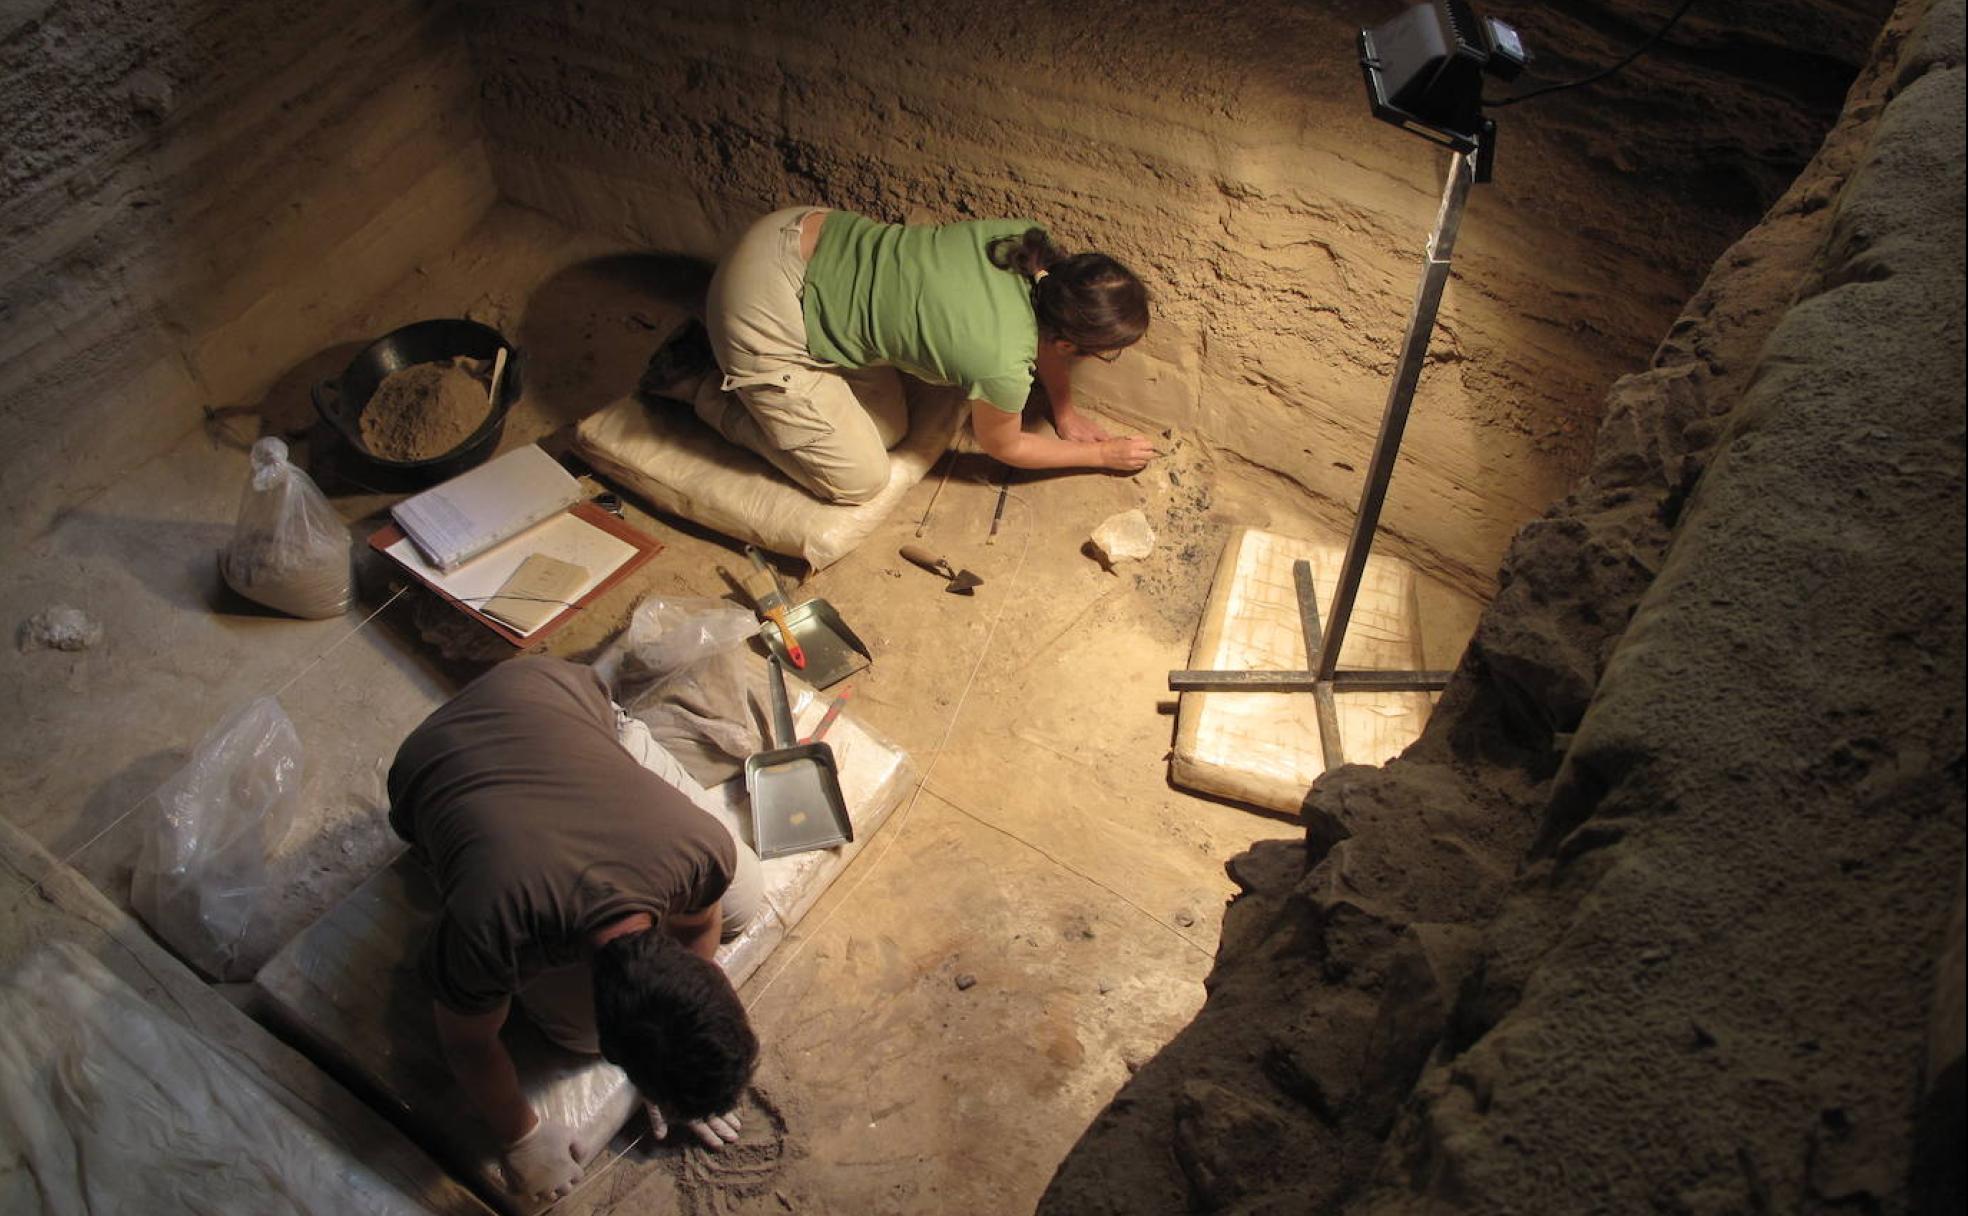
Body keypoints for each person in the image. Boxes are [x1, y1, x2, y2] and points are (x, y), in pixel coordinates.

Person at [386, 657, 766, 1203]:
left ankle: (622, 734)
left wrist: (678, 1047)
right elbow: (468, 1041)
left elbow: (703, 923)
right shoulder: (494, 927)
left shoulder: (696, 849)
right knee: (576, 1036)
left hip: (549, 692)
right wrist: (521, 1136)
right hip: (437, 759)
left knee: (743, 895)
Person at [642, 206, 1158, 504]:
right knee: (858, 481)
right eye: (1097, 354)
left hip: (796, 231)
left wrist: (1064, 412)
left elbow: (1050, 336)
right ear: (1068, 342)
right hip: (760, 306)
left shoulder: (1023, 243)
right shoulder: (999, 363)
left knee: (888, 431)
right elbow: (1006, 447)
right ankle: (699, 377)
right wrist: (1100, 455)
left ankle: (748, 367)